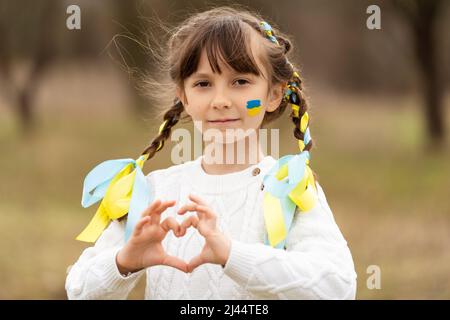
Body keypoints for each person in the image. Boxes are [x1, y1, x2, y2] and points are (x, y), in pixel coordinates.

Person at [66, 6, 357, 300]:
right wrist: (125, 261)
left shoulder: (290, 189)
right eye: (203, 84)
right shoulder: (153, 192)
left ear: (273, 95)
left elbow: (339, 287)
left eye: (240, 82)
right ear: (184, 97)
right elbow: (78, 290)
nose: (220, 100)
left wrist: (233, 255)